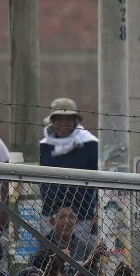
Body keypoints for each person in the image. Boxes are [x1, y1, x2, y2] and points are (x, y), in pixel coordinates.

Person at [39, 98, 99, 239]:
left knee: (80, 256)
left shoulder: (90, 144)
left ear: (75, 121)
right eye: (58, 119)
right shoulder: (45, 146)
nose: (63, 123)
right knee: (49, 257)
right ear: (52, 121)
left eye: (68, 119)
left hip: (83, 217)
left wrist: (98, 213)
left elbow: (99, 181)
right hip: (50, 217)